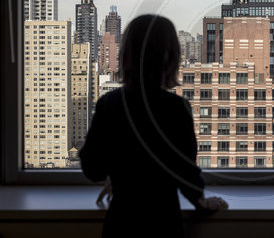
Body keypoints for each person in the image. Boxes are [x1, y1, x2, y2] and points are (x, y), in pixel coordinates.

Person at [79, 14, 228, 238]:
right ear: (171, 58)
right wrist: (201, 201)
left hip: (121, 224)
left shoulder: (109, 104)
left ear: (126, 55)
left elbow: (92, 168)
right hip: (163, 224)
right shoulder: (176, 109)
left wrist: (120, 177)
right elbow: (185, 171)